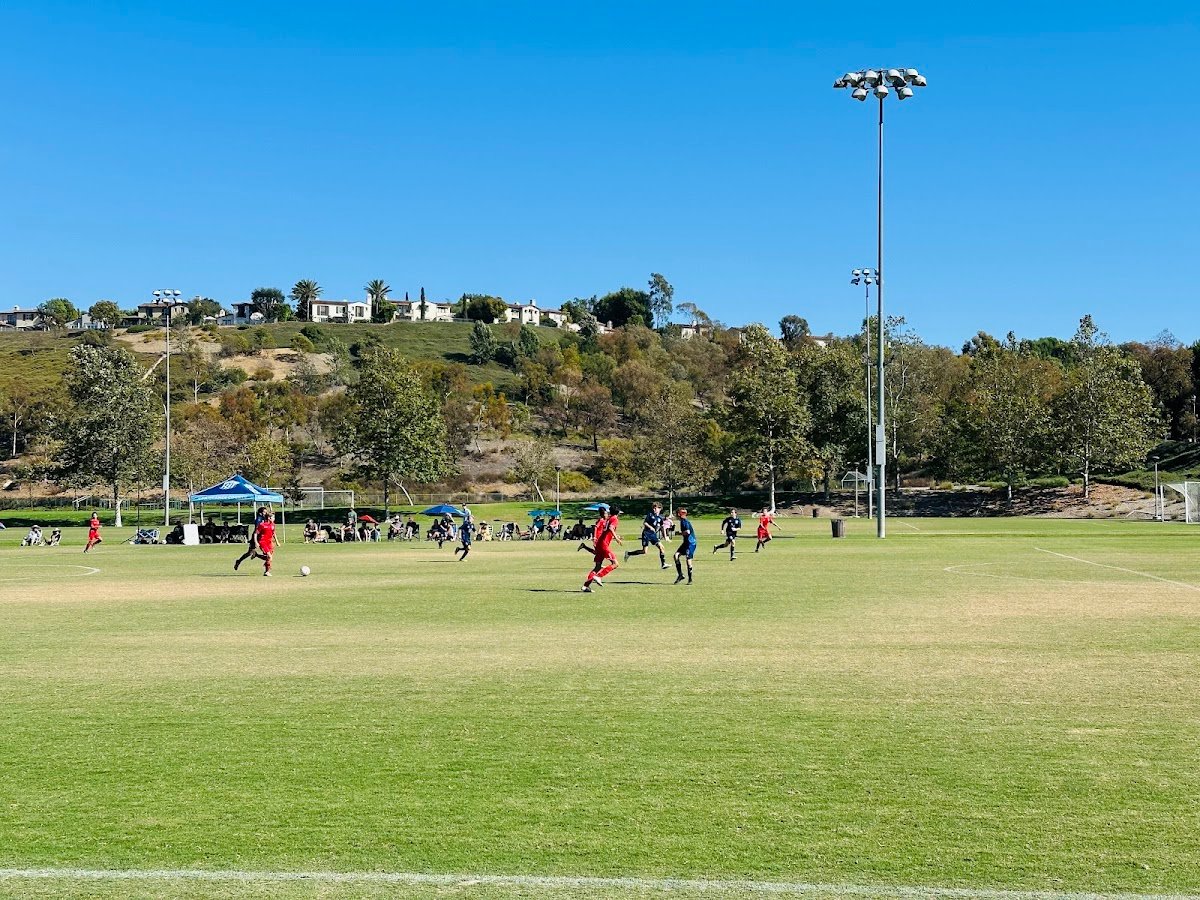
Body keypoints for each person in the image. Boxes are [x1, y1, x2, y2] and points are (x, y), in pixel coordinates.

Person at [581, 504, 622, 592]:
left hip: (600, 543)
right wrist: (617, 538)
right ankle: (599, 576)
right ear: (618, 512)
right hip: (603, 544)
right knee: (615, 563)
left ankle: (586, 586)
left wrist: (615, 536)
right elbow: (611, 528)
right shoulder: (614, 519)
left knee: (597, 567)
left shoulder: (609, 518)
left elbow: (608, 531)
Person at [624, 501, 668, 569]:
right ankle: (628, 553)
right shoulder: (650, 515)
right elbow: (645, 523)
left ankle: (663, 564)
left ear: (660, 509)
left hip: (653, 535)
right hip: (646, 534)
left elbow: (662, 528)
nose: (654, 509)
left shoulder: (660, 518)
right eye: (653, 508)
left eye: (655, 508)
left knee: (661, 547)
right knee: (644, 551)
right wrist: (651, 527)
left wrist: (665, 537)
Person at [234, 507, 267, 571]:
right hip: (256, 538)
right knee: (249, 553)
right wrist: (255, 540)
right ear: (260, 513)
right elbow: (256, 530)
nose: (265, 513)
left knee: (266, 554)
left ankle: (266, 567)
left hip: (262, 538)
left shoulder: (264, 518)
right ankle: (239, 561)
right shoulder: (258, 519)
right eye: (264, 512)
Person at [248, 510, 277, 576]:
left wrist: (275, 541)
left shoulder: (273, 525)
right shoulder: (262, 525)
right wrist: (256, 542)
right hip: (262, 542)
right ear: (269, 518)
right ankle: (267, 572)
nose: (274, 519)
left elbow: (273, 533)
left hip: (269, 542)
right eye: (273, 517)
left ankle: (257, 555)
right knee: (269, 556)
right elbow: (255, 533)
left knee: (268, 557)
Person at [673, 507, 697, 585]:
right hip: (686, 542)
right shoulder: (682, 521)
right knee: (676, 556)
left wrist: (679, 533)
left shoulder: (684, 522)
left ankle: (690, 579)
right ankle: (680, 575)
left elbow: (687, 532)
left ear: (679, 514)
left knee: (688, 559)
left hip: (691, 543)